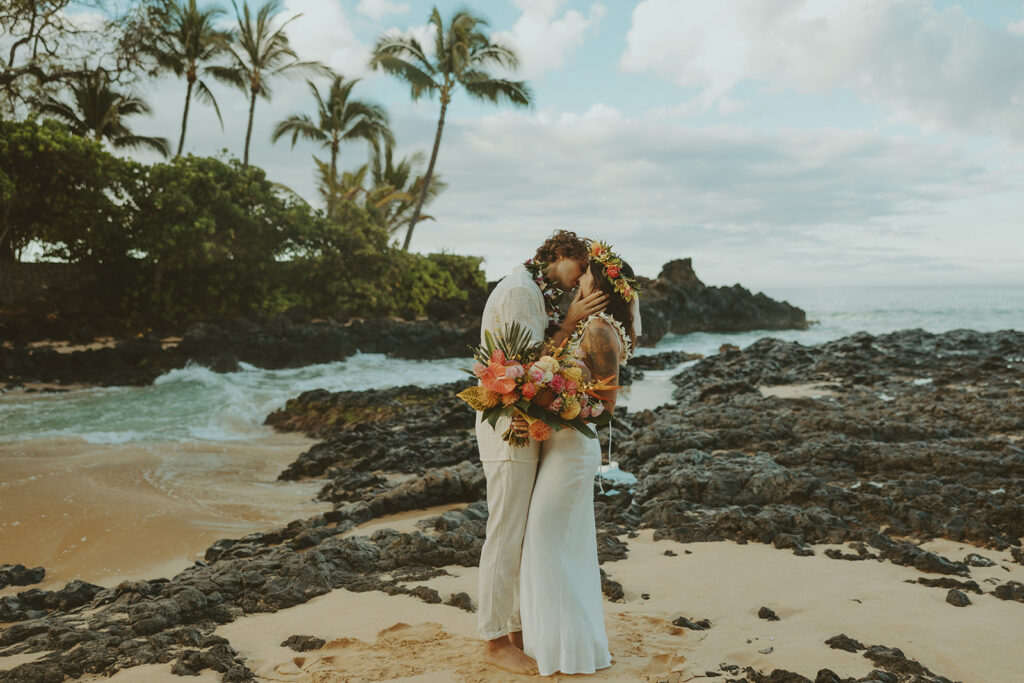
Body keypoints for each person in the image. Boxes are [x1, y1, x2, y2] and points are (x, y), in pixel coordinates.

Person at [477, 229, 609, 674]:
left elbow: (534, 364)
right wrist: (570, 323)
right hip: (508, 426)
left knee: (521, 531)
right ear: (559, 255)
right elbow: (524, 369)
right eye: (580, 268)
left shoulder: (533, 291)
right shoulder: (518, 291)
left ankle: (515, 630)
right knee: (506, 531)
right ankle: (494, 641)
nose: (580, 281)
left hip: (525, 426)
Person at [518, 240, 640, 676]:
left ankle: (569, 649)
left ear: (601, 289)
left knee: (549, 542)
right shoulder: (583, 326)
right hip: (560, 446)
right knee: (551, 544)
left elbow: (605, 408)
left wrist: (559, 405)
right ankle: (551, 643)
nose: (579, 281)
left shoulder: (601, 331)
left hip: (573, 449)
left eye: (586, 277)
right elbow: (554, 361)